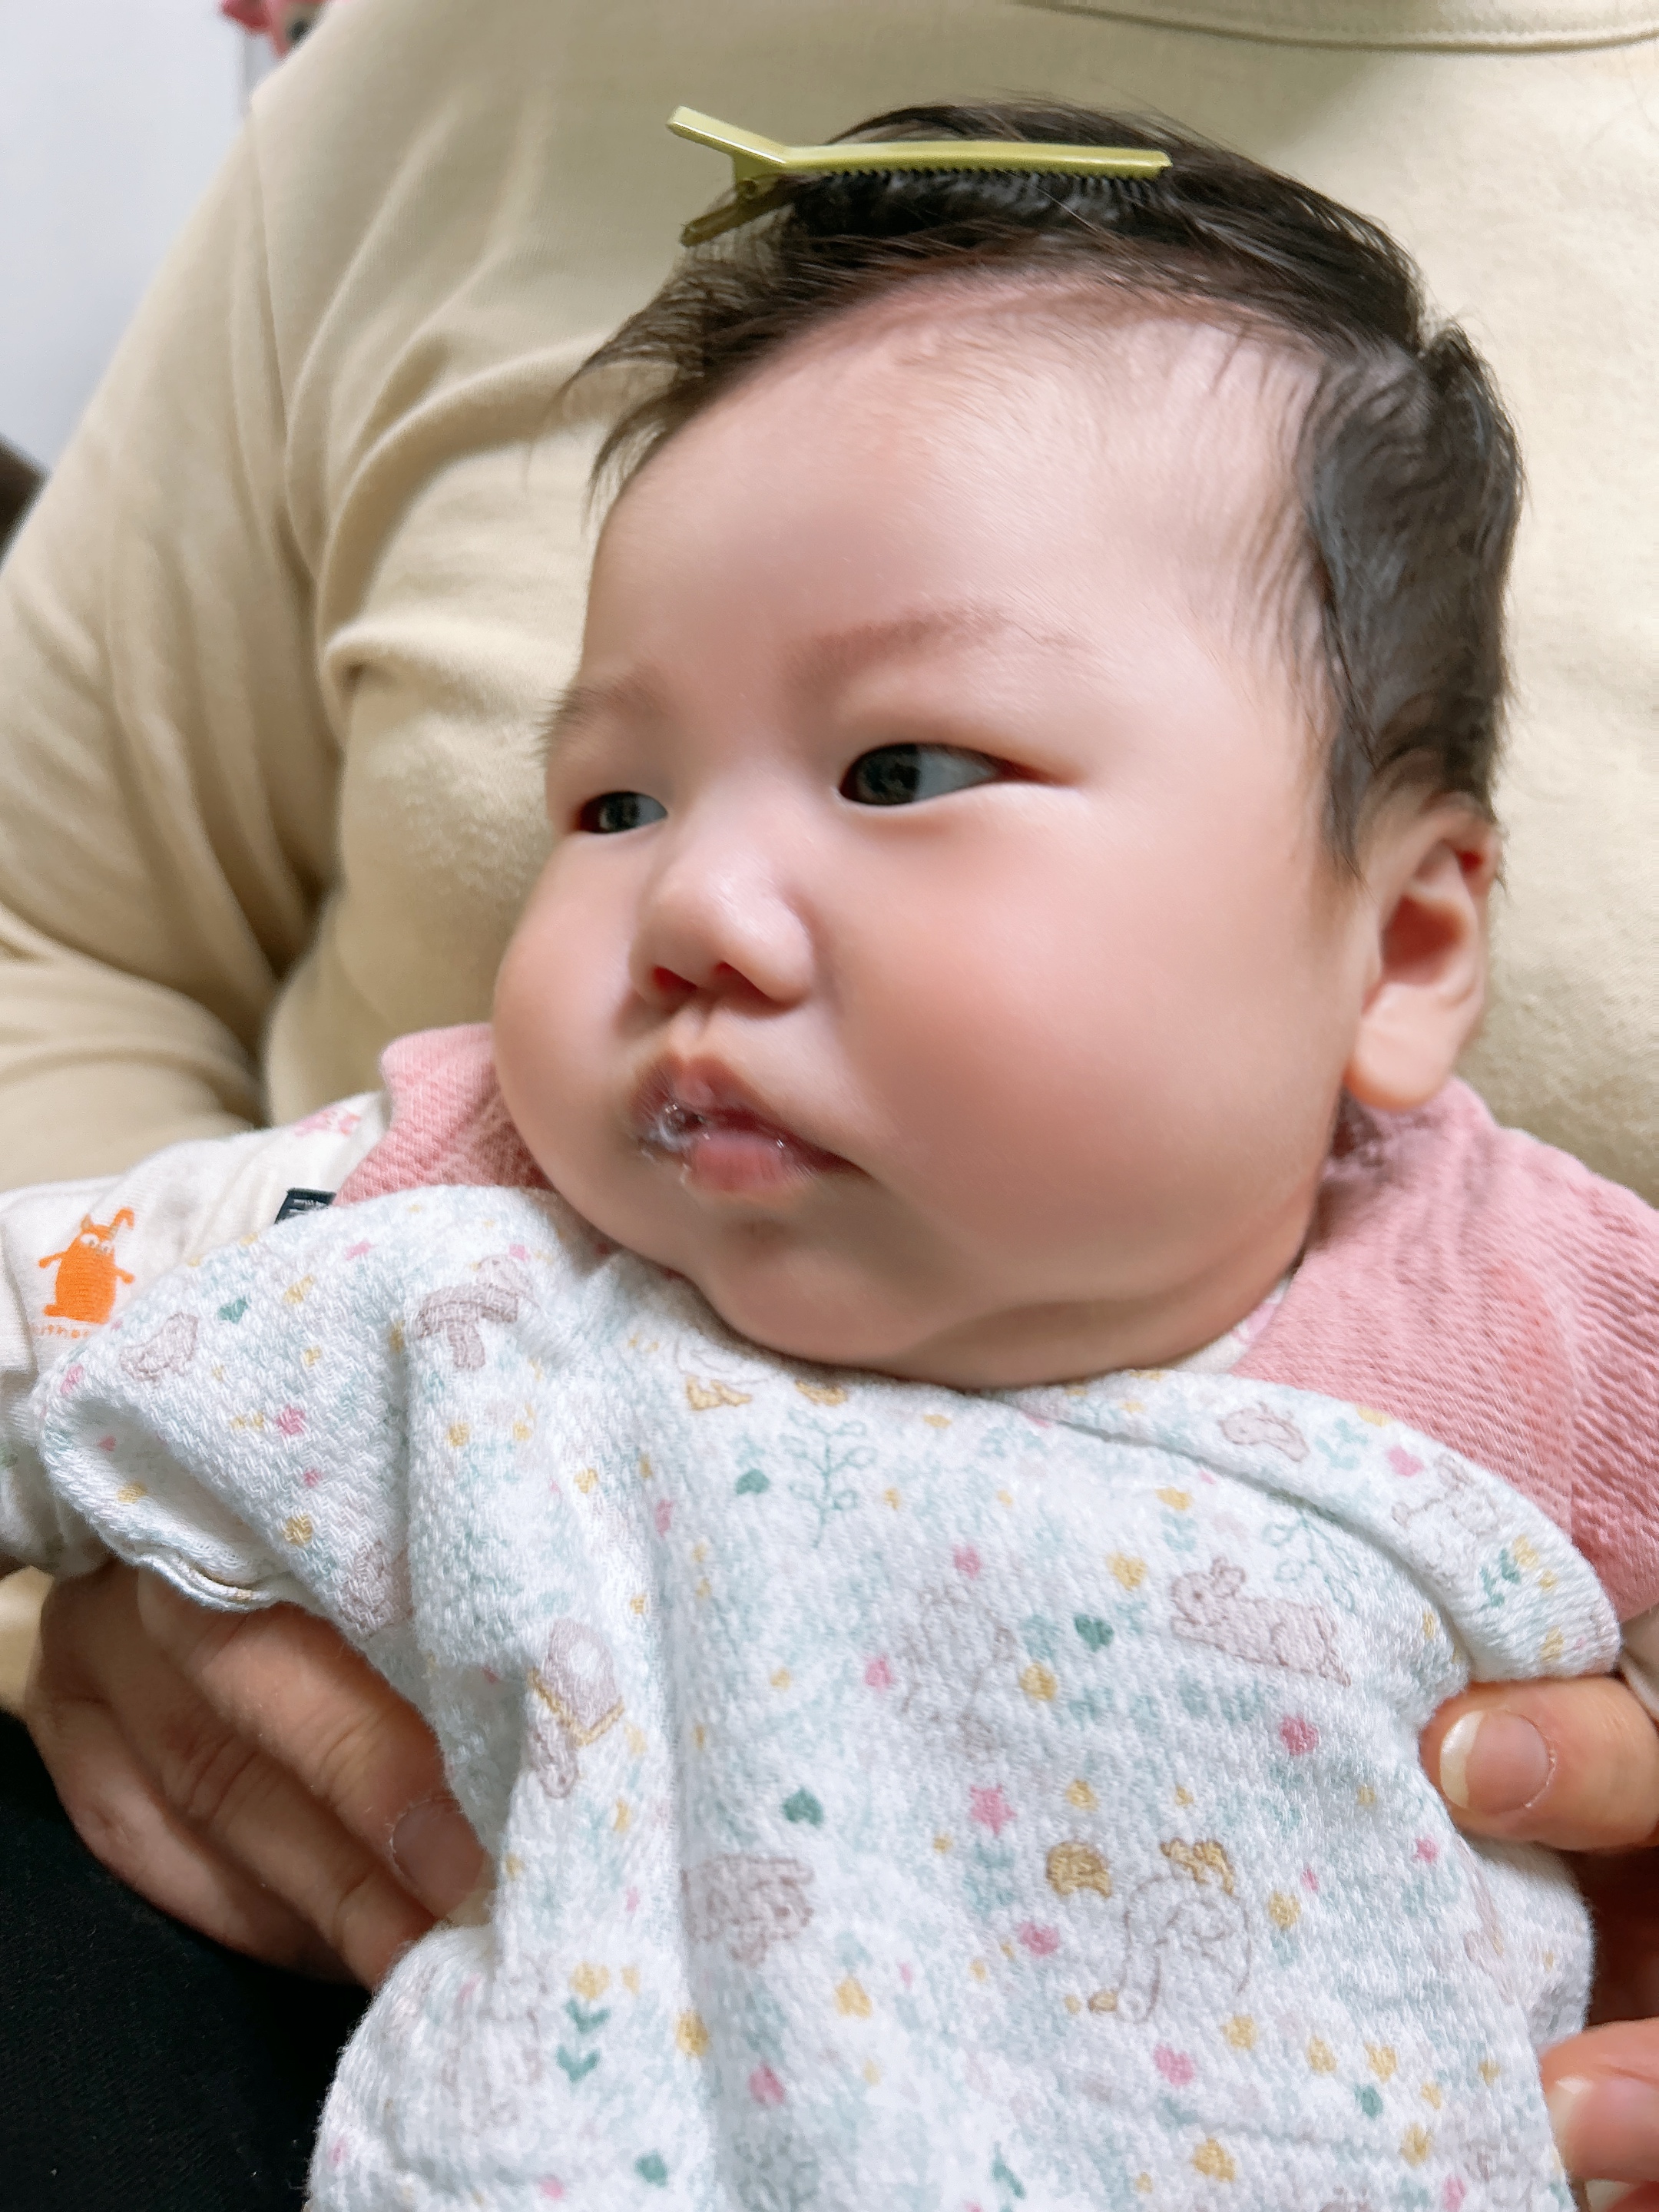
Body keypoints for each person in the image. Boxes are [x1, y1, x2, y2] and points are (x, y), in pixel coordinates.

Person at [0, 3, 1654, 2206]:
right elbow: (58, 1295)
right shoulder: (461, 1211)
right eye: (612, 800)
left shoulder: (1525, 1318)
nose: (695, 906)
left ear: (1408, 949)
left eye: (904, 769)